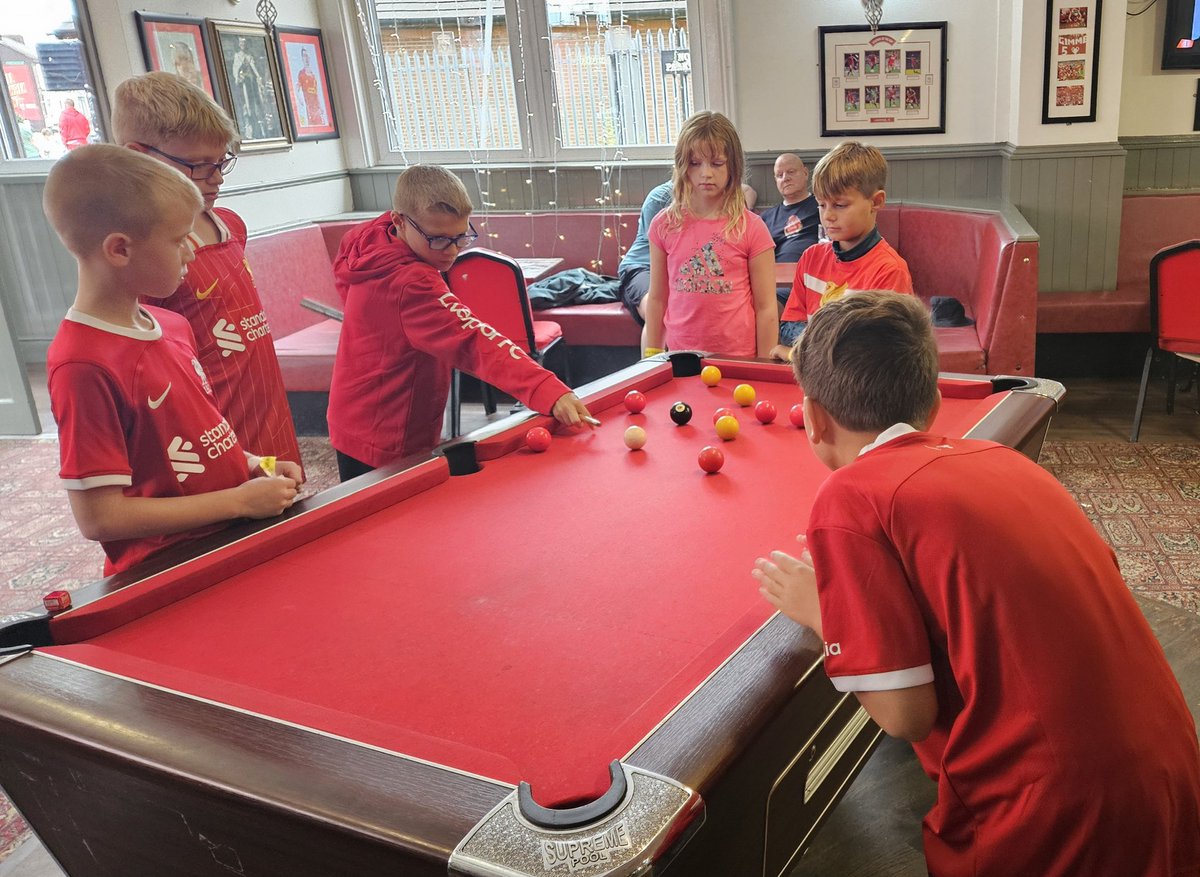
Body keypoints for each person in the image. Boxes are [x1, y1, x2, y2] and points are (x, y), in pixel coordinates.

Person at [754, 291, 1200, 877]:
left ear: (811, 417)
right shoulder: (1004, 460)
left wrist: (820, 608)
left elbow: (905, 716)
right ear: (935, 400)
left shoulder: (850, 494)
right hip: (1172, 768)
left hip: (1054, 812)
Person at [42, 145, 302, 575]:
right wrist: (236, 501)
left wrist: (255, 466)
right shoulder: (82, 365)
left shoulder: (172, 324)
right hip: (168, 570)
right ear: (120, 250)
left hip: (226, 540)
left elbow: (199, 436)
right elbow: (99, 517)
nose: (190, 254)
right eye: (180, 241)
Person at [327, 164, 596, 481]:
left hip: (351, 412)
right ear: (399, 221)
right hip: (386, 431)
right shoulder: (411, 283)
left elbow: (352, 294)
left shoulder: (368, 240)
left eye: (461, 236)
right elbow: (474, 339)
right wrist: (545, 388)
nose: (453, 250)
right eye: (439, 239)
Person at [113, 72, 302, 475]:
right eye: (198, 166)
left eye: (220, 163)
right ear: (140, 157)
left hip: (271, 426)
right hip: (214, 449)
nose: (215, 178)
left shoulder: (230, 224)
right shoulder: (143, 258)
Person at [640, 111, 777, 359]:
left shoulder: (752, 228)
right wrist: (652, 355)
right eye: (695, 163)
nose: (706, 173)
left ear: (732, 165)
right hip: (681, 356)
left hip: (740, 356)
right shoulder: (663, 225)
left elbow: (766, 307)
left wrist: (764, 363)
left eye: (716, 163)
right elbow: (658, 299)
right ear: (683, 165)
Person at [771, 140, 913, 361]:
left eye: (840, 205)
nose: (827, 216)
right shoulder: (810, 258)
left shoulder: (889, 270)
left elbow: (876, 352)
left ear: (876, 202)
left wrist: (798, 352)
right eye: (821, 205)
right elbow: (789, 327)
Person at [758, 152, 819, 310]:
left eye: (791, 172)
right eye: (780, 175)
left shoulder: (823, 206)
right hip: (777, 284)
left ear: (805, 173)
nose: (785, 178)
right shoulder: (765, 218)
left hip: (813, 279)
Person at [296, 48, 326, 127]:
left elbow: (317, 92)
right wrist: (300, 100)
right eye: (304, 56)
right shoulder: (302, 74)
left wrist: (321, 106)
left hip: (317, 108)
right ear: (302, 58)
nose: (306, 58)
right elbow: (297, 89)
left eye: (307, 56)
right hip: (310, 109)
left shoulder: (314, 74)